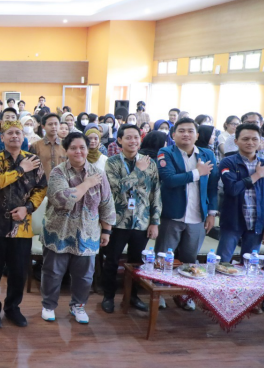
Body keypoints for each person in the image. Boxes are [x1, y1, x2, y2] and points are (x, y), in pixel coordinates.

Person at [41, 132, 116, 324]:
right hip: (59, 231)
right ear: (66, 151)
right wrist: (87, 183)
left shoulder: (98, 174)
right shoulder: (58, 172)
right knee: (53, 272)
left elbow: (107, 203)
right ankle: (49, 305)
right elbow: (62, 199)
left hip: (87, 232)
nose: (78, 151)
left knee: (84, 275)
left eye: (82, 147)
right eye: (73, 148)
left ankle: (78, 306)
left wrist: (106, 230)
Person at [0, 120, 46, 328]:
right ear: (2, 137)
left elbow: (41, 189)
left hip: (22, 225)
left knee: (19, 271)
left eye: (18, 133)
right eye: (10, 133)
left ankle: (12, 308)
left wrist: (27, 208)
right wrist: (21, 169)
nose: (15, 136)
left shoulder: (33, 160)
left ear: (23, 137)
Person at [155, 118, 218, 311]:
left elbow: (213, 187)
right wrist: (197, 173)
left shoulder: (207, 154)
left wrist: (212, 213)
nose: (186, 134)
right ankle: (159, 293)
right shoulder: (166, 152)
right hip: (172, 214)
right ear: (173, 135)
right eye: (181, 131)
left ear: (197, 135)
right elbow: (169, 180)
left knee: (190, 258)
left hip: (197, 215)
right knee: (164, 256)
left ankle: (183, 293)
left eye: (190, 131)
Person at [101, 124, 161, 314]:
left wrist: (155, 221)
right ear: (119, 140)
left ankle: (133, 296)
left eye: (136, 137)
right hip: (117, 221)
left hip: (141, 221)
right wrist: (137, 172)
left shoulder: (149, 163)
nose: (133, 141)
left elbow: (155, 193)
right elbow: (116, 190)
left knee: (137, 263)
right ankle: (108, 297)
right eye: (128, 137)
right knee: (111, 260)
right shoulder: (112, 162)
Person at [216, 124, 264, 263]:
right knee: (222, 263)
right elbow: (233, 189)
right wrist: (257, 175)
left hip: (257, 223)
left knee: (250, 266)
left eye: (254, 139)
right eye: (245, 139)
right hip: (233, 220)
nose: (250, 143)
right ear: (236, 141)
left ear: (260, 141)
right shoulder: (228, 162)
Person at [29, 113, 66, 178]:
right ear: (43, 126)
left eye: (56, 124)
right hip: (42, 186)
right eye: (50, 124)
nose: (54, 126)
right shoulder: (35, 146)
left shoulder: (66, 144)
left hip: (62, 184)